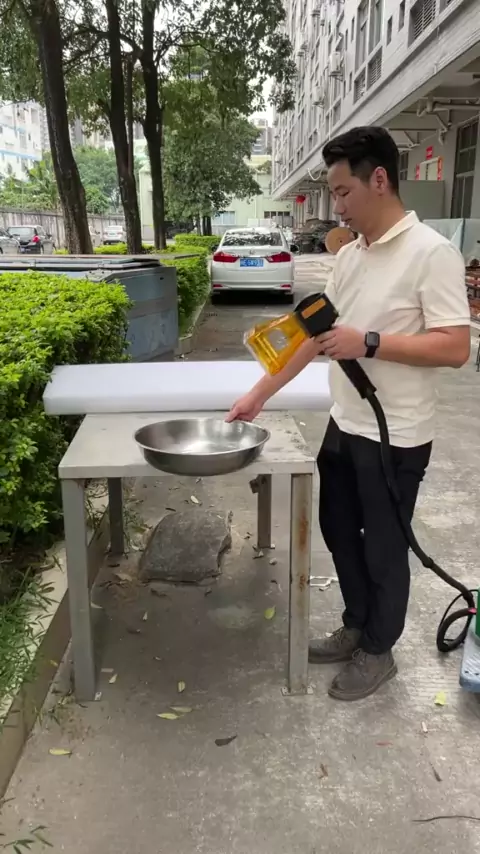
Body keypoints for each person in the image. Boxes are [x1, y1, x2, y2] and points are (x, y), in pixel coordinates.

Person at [226, 126, 471, 702]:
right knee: (337, 529)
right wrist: (259, 394)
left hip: (397, 434)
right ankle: (357, 624)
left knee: (384, 547)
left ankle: (380, 650)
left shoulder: (431, 253)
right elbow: (316, 336)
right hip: (346, 423)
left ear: (378, 179)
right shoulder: (352, 255)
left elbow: (456, 346)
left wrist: (371, 342)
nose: (336, 206)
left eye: (342, 192)